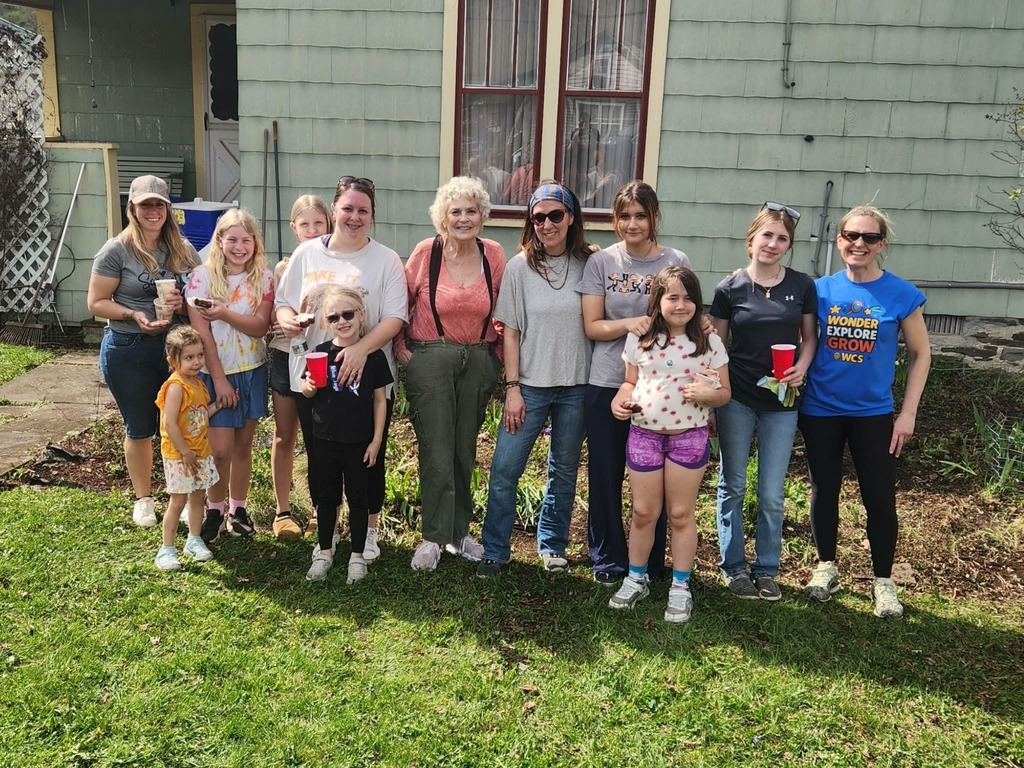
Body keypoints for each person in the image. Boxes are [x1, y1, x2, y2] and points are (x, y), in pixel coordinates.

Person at [799, 205, 930, 619]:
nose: (859, 243)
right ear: (839, 240)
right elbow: (799, 336)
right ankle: (826, 567)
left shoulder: (901, 294)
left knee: (879, 496)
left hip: (873, 414)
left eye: (869, 237)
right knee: (824, 490)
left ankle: (883, 581)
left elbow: (921, 353)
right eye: (851, 235)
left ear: (881, 244)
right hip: (820, 409)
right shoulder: (819, 291)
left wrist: (907, 414)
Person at [275, 176, 408, 573]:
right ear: (334, 210)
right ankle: (327, 530)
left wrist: (360, 350)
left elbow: (395, 317)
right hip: (314, 378)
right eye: (347, 208)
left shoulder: (385, 260)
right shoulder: (306, 254)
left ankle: (369, 531)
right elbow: (283, 302)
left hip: (365, 380)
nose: (354, 216)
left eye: (363, 210)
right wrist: (288, 320)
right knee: (321, 458)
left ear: (372, 215)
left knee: (368, 458)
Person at [577, 180, 690, 586]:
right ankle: (607, 557)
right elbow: (592, 326)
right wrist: (630, 323)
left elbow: (685, 315)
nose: (632, 224)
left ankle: (650, 563)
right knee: (605, 473)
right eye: (624, 216)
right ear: (615, 219)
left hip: (661, 389)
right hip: (608, 381)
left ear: (655, 217)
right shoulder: (601, 262)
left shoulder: (675, 260)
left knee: (653, 480)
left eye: (641, 215)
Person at [477, 182, 593, 577]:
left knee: (564, 469)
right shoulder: (519, 267)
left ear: (571, 217)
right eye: (538, 217)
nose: (547, 224)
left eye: (555, 215)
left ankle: (552, 544)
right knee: (505, 468)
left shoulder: (590, 264)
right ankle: (495, 549)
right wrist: (512, 389)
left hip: (576, 386)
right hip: (529, 386)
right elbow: (509, 332)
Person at [608, 266, 731, 623]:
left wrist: (709, 394)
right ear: (658, 301)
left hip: (688, 438)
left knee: (680, 514)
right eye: (673, 297)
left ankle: (680, 585)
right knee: (643, 512)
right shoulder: (641, 338)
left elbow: (724, 393)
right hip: (644, 435)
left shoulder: (709, 342)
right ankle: (636, 578)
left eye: (688, 298)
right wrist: (620, 400)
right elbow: (629, 383)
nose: (681, 305)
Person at [395, 177, 506, 571]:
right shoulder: (427, 252)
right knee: (436, 449)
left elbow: (504, 310)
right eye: (455, 211)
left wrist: (495, 357)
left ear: (482, 216)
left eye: (471, 211)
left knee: (464, 448)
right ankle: (432, 537)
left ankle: (459, 534)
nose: (463, 218)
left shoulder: (493, 254)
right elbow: (400, 303)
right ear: (443, 217)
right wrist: (402, 351)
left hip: (477, 360)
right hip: (430, 357)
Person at [709, 203, 817, 601]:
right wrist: (714, 397)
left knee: (772, 493)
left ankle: (767, 569)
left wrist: (801, 367)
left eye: (782, 238)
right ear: (751, 238)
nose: (773, 243)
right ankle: (734, 568)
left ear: (789, 245)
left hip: (782, 401)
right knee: (733, 485)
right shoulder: (729, 288)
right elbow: (716, 347)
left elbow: (810, 339)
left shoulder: (802, 286)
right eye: (767, 235)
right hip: (737, 397)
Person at [87, 175, 199, 528]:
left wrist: (183, 304)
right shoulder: (116, 250)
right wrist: (133, 314)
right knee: (139, 426)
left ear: (168, 208)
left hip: (174, 351)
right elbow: (96, 302)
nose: (153, 211)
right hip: (128, 347)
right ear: (132, 209)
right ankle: (143, 499)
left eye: (159, 204)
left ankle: (179, 495)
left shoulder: (183, 249)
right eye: (145, 204)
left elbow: (201, 295)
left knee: (178, 424)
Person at [186, 209, 274, 542]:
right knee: (220, 450)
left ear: (255, 243)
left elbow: (260, 327)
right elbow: (202, 334)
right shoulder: (201, 278)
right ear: (219, 240)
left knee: (243, 445)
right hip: (214, 373)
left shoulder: (263, 278)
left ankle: (238, 509)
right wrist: (219, 379)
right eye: (232, 239)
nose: (239, 247)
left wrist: (224, 312)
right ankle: (214, 509)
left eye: (246, 240)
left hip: (251, 369)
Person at [301, 287, 392, 583]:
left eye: (348, 314)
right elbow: (307, 390)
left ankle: (357, 556)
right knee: (327, 498)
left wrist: (376, 441)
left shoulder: (374, 357)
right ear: (326, 322)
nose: (342, 321)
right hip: (325, 440)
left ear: (361, 315)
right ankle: (324, 552)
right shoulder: (320, 353)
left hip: (359, 442)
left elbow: (380, 401)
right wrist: (309, 385)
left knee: (358, 499)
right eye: (334, 317)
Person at [267, 195, 332, 540]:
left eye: (318, 223)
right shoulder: (284, 267)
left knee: (318, 437)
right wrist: (282, 321)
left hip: (318, 358)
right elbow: (271, 314)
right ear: (294, 228)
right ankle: (283, 511)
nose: (312, 230)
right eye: (304, 224)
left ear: (329, 224)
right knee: (284, 435)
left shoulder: (335, 264)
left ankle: (321, 510)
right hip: (284, 356)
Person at [153, 326, 222, 571]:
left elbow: (198, 415)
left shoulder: (198, 383)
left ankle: (194, 539)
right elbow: (169, 424)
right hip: (180, 455)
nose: (197, 362)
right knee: (178, 501)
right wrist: (185, 451)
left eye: (200, 355)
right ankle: (166, 549)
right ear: (173, 361)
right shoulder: (175, 386)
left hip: (200, 452)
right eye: (189, 357)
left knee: (198, 497)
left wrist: (217, 406)